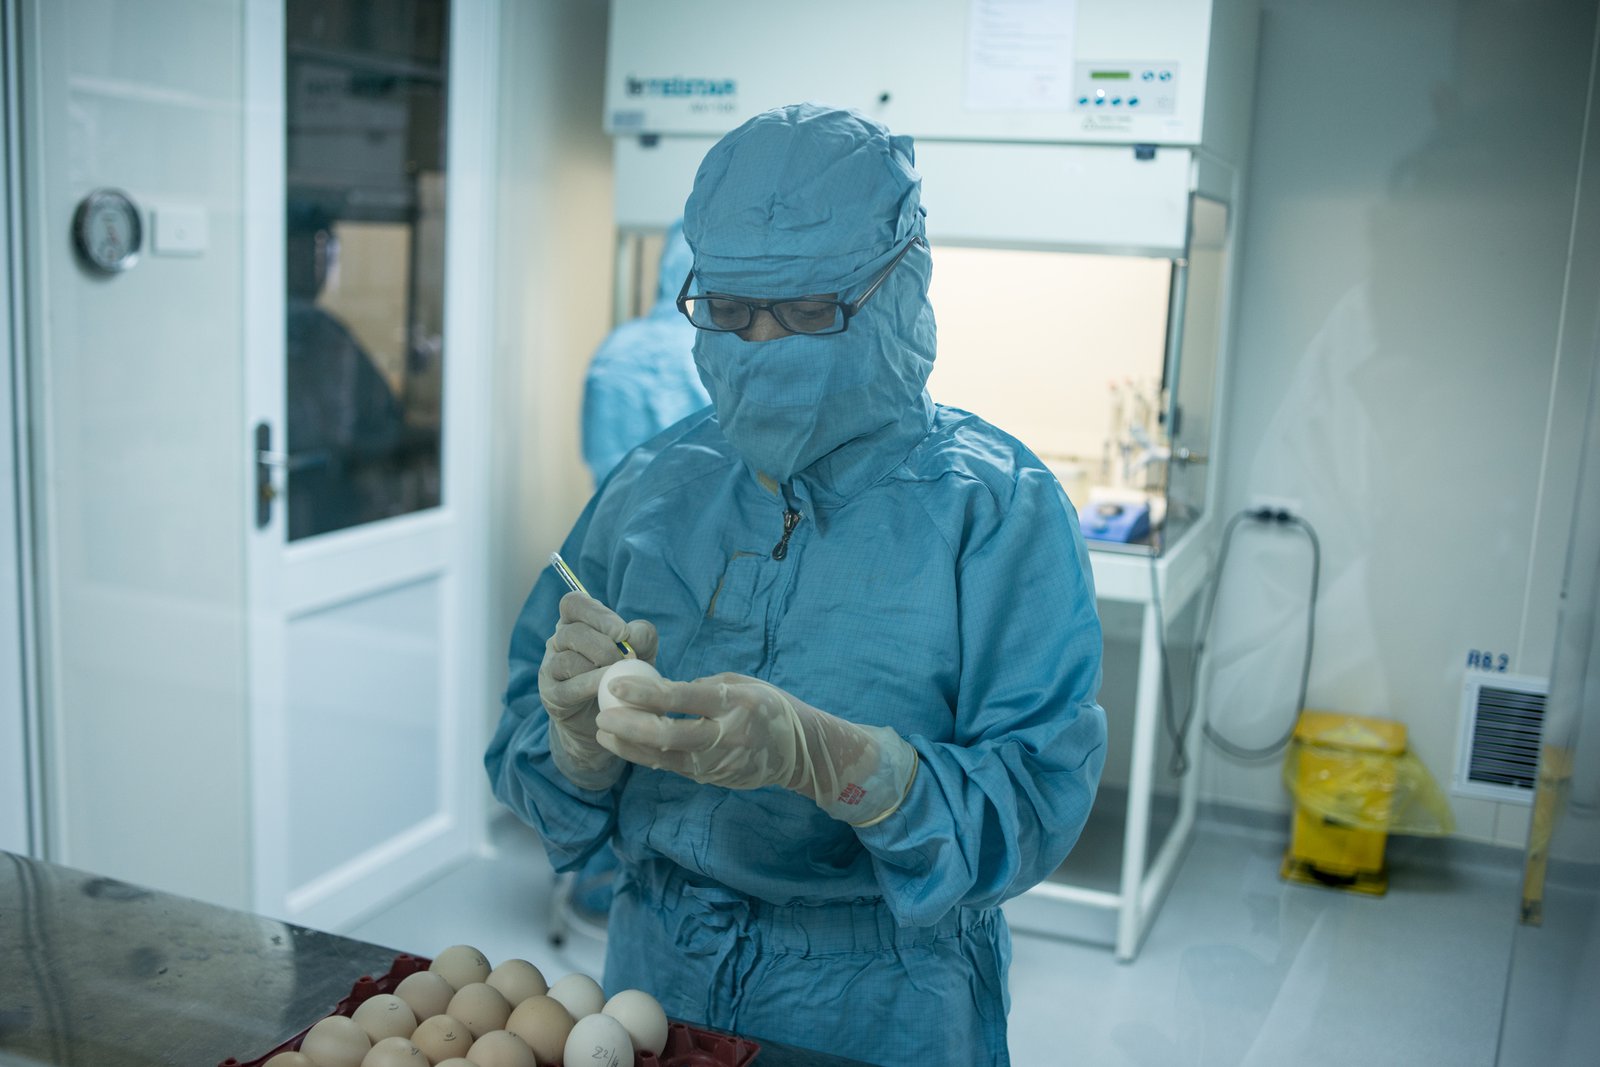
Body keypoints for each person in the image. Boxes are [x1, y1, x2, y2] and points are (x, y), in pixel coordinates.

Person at [485, 103, 1106, 1066]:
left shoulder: (996, 510)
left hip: (882, 992)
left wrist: (835, 759)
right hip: (658, 967)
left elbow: (1032, 797)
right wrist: (575, 742)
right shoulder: (653, 487)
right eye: (730, 313)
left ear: (900, 289)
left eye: (810, 315)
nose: (763, 348)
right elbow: (526, 723)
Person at [581, 219, 710, 484]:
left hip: (617, 513)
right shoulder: (711, 348)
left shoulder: (616, 348)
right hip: (696, 512)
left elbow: (601, 457)